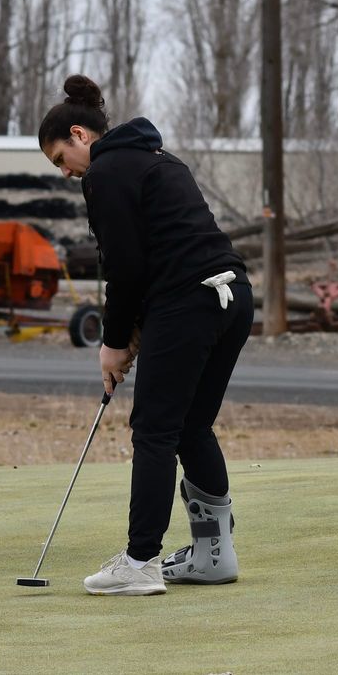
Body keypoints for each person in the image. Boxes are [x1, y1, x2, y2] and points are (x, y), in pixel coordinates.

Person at [38, 76, 253, 595]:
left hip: (188, 302)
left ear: (79, 134)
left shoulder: (105, 172)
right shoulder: (160, 158)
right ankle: (214, 557)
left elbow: (125, 267)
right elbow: (159, 252)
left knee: (154, 430)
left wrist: (114, 342)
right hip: (233, 296)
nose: (65, 171)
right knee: (191, 426)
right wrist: (137, 327)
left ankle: (139, 562)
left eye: (61, 158)